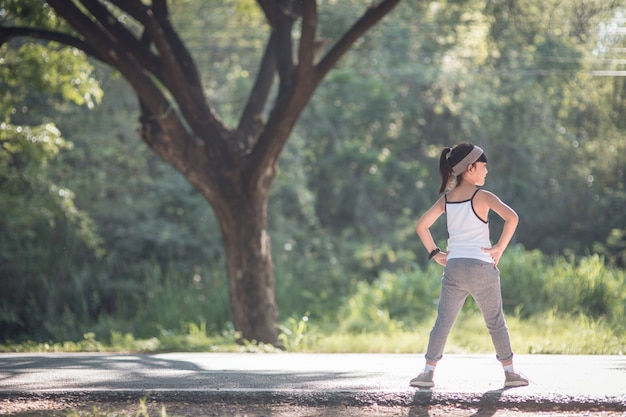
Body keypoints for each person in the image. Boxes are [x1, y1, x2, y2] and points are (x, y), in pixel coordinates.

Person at [410, 143, 529, 389]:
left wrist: (435, 253)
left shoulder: (447, 199)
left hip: (454, 267)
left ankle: (427, 373)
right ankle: (510, 373)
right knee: (495, 321)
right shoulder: (483, 196)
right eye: (483, 167)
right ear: (470, 168)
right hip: (482, 267)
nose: (486, 172)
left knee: (443, 321)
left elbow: (421, 226)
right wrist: (499, 248)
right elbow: (512, 217)